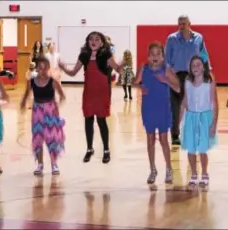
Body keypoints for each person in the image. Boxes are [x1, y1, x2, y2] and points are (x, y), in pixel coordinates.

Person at [58, 31, 122, 164]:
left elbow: (117, 68)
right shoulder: (84, 55)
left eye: (97, 39)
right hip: (89, 93)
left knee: (101, 121)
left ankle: (106, 150)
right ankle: (89, 149)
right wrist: (63, 67)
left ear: (102, 42)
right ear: (87, 42)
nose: (94, 41)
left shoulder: (106, 54)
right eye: (91, 39)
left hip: (102, 93)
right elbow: (73, 72)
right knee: (88, 120)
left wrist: (123, 64)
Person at [134, 42, 180, 184]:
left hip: (163, 108)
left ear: (162, 56)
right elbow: (134, 83)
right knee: (150, 139)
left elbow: (178, 88)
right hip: (148, 108)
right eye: (152, 54)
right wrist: (140, 86)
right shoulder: (144, 68)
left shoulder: (167, 69)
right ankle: (153, 169)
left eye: (158, 54)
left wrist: (166, 80)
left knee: (164, 139)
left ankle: (168, 169)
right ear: (148, 56)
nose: (155, 56)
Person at [165, 14, 212, 145]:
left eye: (183, 23)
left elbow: (204, 55)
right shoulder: (172, 39)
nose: (181, 26)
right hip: (177, 76)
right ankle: (175, 135)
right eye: (179, 24)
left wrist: (208, 72)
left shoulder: (198, 38)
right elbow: (167, 59)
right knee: (176, 107)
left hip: (194, 76)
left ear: (189, 23)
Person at [20, 56, 66, 176]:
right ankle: (40, 164)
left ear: (49, 69)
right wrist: (23, 104)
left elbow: (62, 95)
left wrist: (57, 106)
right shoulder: (31, 81)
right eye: (40, 68)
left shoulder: (52, 81)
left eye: (45, 68)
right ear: (36, 69)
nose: (43, 70)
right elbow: (26, 94)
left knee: (52, 139)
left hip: (50, 112)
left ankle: (54, 164)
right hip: (37, 113)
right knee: (38, 139)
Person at [180, 55, 218, 187]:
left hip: (205, 117)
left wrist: (213, 124)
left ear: (203, 67)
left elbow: (214, 103)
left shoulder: (209, 81)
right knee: (191, 149)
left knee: (202, 149)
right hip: (191, 117)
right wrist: (179, 122)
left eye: (198, 64)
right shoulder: (187, 81)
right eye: (193, 65)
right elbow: (185, 101)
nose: (196, 67)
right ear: (190, 68)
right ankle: (194, 173)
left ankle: (205, 173)